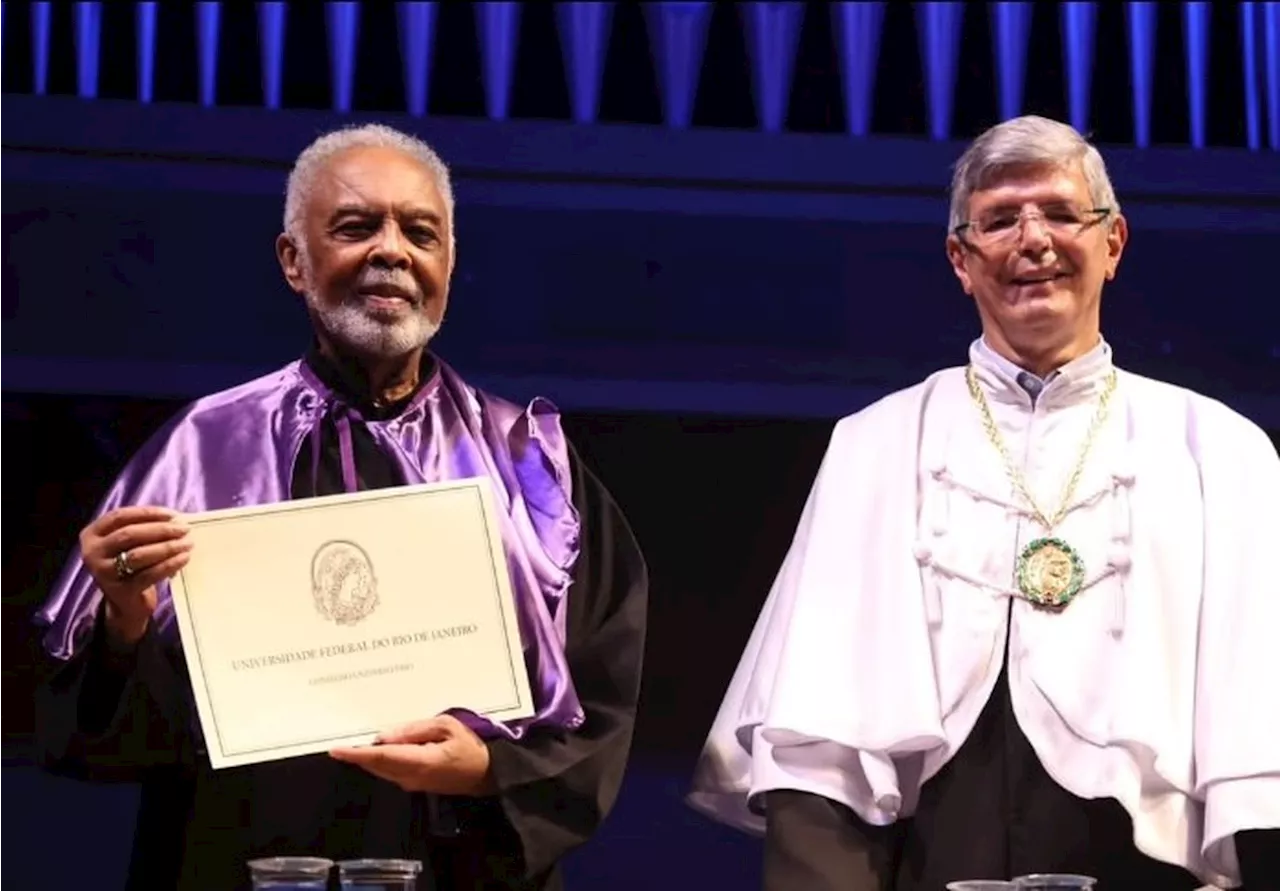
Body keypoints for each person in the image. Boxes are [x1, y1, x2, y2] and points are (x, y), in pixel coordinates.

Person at [33, 123, 648, 891]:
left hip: (459, 869)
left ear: (448, 264)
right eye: (357, 227)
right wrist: (123, 616)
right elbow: (94, 731)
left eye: (420, 232)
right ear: (294, 260)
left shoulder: (530, 464)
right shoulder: (199, 451)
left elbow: (602, 691)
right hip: (238, 860)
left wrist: (493, 765)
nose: (392, 249)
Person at [686, 115, 1280, 890]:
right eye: (1000, 220)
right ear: (960, 260)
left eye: (1062, 214)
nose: (1033, 240)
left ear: (1115, 243)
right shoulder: (875, 445)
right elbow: (822, 762)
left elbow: (1256, 753)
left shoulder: (1220, 449)